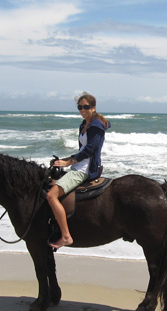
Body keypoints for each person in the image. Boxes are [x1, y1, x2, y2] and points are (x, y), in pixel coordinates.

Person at [47, 92, 110, 249]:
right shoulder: (84, 124)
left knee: (51, 195)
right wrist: (63, 161)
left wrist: (69, 161)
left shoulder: (96, 125)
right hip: (78, 166)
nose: (83, 110)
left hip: (85, 170)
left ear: (94, 108)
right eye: (80, 107)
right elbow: (81, 149)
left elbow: (89, 150)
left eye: (86, 107)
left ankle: (66, 236)